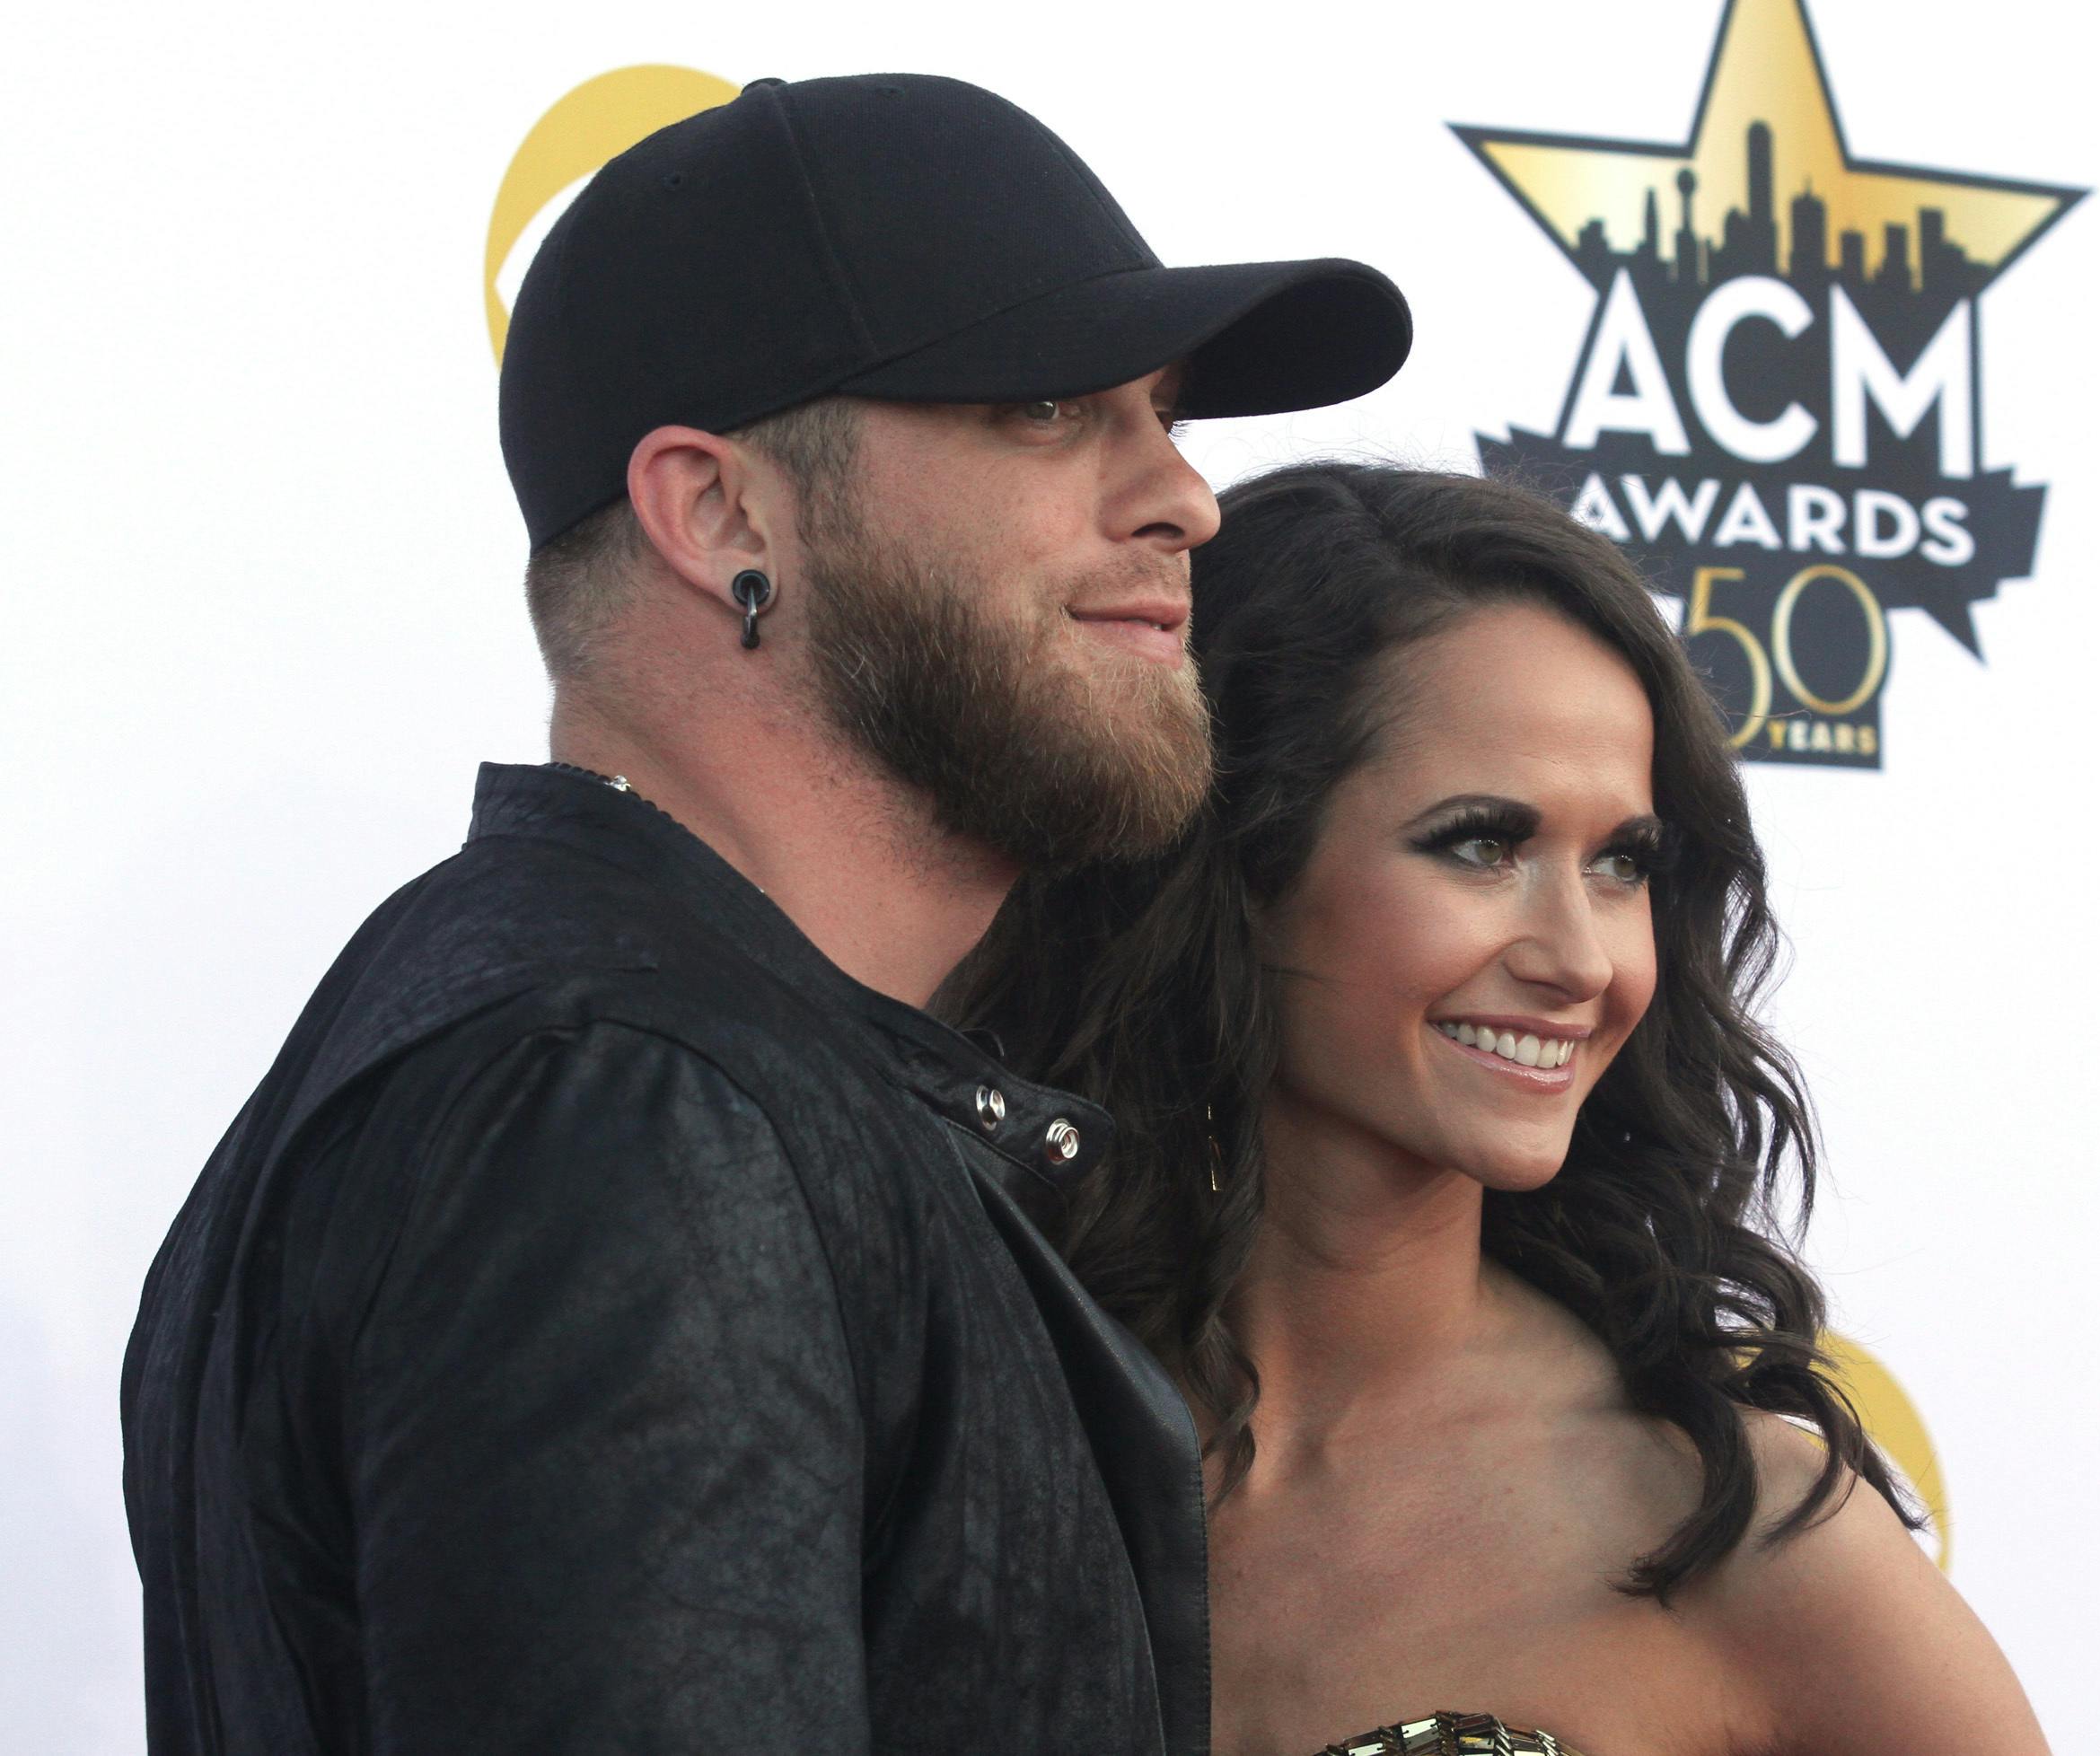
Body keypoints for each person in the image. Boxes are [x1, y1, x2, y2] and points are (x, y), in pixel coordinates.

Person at [120, 76, 1409, 1755]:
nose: (1184, 497)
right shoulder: (629, 1107)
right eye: (1043, 405)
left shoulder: (637, 1055)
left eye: (1161, 412)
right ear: (720, 513)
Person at [945, 464, 2049, 1756]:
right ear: (1235, 865)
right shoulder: (955, 1401)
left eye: (1622, 864)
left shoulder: (1726, 1526)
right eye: (1483, 844)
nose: (1582, 957)